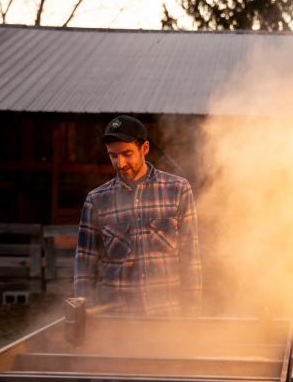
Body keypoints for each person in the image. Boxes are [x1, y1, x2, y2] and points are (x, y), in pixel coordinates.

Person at [74, 115, 201, 316]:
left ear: (145, 149)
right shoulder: (96, 200)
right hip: (117, 319)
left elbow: (190, 256)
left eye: (127, 154)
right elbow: (84, 266)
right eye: (113, 156)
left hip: (167, 315)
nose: (120, 163)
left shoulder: (178, 189)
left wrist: (191, 309)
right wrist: (81, 313)